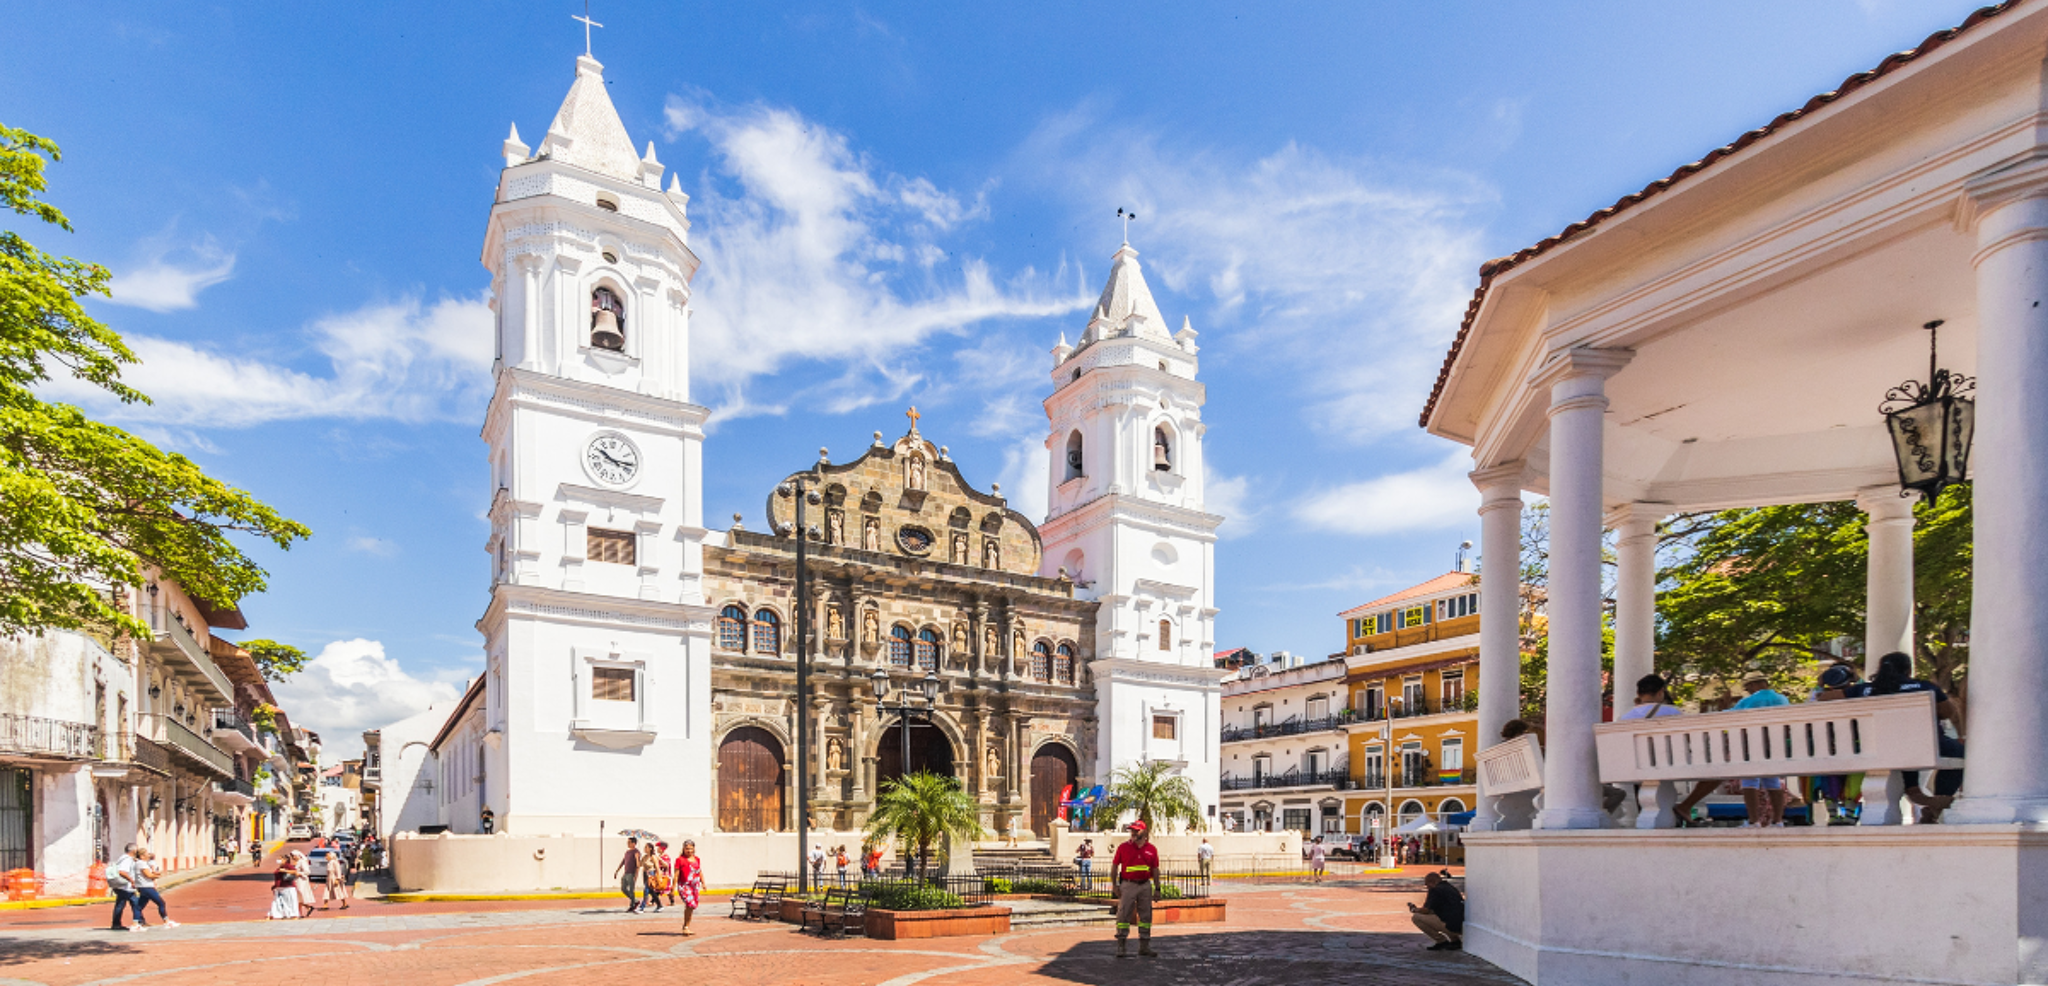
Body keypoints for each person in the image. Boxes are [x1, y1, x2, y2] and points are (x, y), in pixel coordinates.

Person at [1838, 651, 1966, 823]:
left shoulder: (1862, 690)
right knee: (1960, 752)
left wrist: (1834, 683)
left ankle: (1915, 791)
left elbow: (1824, 697)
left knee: (1901, 745)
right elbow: (1947, 712)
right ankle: (1936, 802)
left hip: (1877, 748)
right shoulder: (1923, 687)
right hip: (1920, 746)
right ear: (1908, 670)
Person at [1622, 674, 1718, 824]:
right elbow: (1690, 738)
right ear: (1661, 692)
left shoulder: (1625, 718)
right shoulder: (1673, 712)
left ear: (1638, 693)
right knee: (1717, 773)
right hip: (1672, 764)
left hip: (1637, 767)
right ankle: (1685, 806)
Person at [1730, 672, 1793, 826]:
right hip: (1776, 747)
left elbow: (1730, 717)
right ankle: (1778, 820)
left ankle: (1753, 821)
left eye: (1748, 688)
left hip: (1753, 746)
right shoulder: (1782, 699)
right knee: (1773, 781)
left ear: (1752, 685)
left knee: (1749, 781)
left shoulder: (1748, 701)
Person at [1109, 820, 1161, 959]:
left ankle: (1144, 946)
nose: (1133, 833)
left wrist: (1157, 888)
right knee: (1123, 914)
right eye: (1132, 830)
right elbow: (1115, 866)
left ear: (1144, 832)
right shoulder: (1123, 847)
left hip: (1145, 886)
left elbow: (1155, 870)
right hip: (1128, 885)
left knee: (1146, 916)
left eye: (1136, 830)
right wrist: (1115, 885)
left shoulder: (1151, 849)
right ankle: (1121, 945)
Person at [1409, 870, 1465, 950]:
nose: (1427, 887)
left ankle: (1441, 941)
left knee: (1416, 918)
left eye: (1427, 884)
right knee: (1445, 916)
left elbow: (1426, 910)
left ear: (1432, 882)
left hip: (1450, 926)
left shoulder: (1435, 890)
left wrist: (1415, 909)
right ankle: (1455, 941)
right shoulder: (1450, 888)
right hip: (1460, 924)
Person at [134, 848, 176, 927]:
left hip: (144, 886)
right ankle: (166, 921)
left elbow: (149, 873)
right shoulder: (141, 864)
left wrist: (155, 874)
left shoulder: (142, 863)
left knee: (139, 907)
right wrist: (157, 876)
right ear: (142, 856)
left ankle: (135, 924)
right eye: (146, 854)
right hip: (146, 887)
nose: (148, 855)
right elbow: (148, 875)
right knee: (161, 903)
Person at [674, 840, 705, 935]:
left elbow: (699, 871)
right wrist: (672, 887)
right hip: (684, 886)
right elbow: (676, 874)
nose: (689, 850)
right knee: (690, 904)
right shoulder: (680, 860)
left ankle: (686, 925)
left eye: (691, 848)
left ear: (694, 849)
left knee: (691, 907)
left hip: (695, 886)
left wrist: (703, 883)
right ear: (683, 849)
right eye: (687, 848)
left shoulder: (697, 859)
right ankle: (685, 927)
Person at [107, 843, 140, 932]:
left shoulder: (123, 858)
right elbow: (122, 872)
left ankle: (116, 924)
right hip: (126, 886)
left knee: (120, 904)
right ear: (133, 850)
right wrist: (131, 880)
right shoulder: (127, 859)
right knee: (136, 903)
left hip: (121, 886)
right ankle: (138, 922)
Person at [268, 853, 302, 920]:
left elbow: (295, 872)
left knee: (290, 901)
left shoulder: (287, 866)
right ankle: (280, 914)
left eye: (280, 859)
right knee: (279, 902)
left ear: (285, 859)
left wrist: (285, 871)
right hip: (279, 887)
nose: (278, 860)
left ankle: (293, 915)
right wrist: (275, 886)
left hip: (287, 886)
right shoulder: (281, 867)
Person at [614, 837, 642, 913]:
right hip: (626, 873)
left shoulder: (636, 852)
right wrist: (617, 870)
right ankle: (635, 900)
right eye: (627, 842)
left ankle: (633, 905)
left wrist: (636, 875)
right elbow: (623, 861)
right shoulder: (627, 852)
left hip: (632, 873)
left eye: (629, 842)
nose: (628, 844)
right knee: (623, 888)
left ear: (634, 843)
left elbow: (638, 865)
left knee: (631, 890)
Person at [640, 842, 668, 912]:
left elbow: (657, 867)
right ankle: (660, 905)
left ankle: (642, 907)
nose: (644, 849)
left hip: (651, 874)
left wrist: (659, 877)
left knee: (646, 890)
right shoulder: (644, 857)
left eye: (646, 847)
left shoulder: (653, 857)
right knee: (651, 891)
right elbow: (639, 865)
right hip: (645, 874)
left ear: (650, 848)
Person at [290, 850, 317, 917]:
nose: (293, 858)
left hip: (301, 881)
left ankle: (301, 912)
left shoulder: (302, 862)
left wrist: (299, 873)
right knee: (298, 897)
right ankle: (302, 911)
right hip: (298, 880)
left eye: (293, 856)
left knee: (300, 896)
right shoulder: (298, 862)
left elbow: (307, 871)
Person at [327, 843, 352, 910]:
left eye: (327, 856)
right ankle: (325, 905)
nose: (326, 857)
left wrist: (337, 879)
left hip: (334, 879)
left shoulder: (335, 862)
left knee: (338, 891)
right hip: (329, 879)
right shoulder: (329, 862)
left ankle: (344, 903)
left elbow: (338, 871)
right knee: (327, 892)